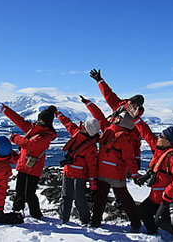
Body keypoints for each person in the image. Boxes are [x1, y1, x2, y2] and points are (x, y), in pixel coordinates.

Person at [129, 107, 173, 239]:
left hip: (166, 197)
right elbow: (147, 134)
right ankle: (153, 233)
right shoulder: (160, 150)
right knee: (143, 211)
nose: (158, 137)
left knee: (161, 220)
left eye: (161, 136)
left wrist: (168, 194)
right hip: (156, 195)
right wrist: (136, 119)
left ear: (168, 141)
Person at [80, 95, 141, 233]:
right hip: (117, 174)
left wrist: (89, 103)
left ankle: (95, 222)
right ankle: (136, 223)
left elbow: (99, 116)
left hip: (102, 171)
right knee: (126, 200)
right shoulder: (125, 138)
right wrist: (135, 175)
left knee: (100, 199)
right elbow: (129, 159)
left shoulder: (108, 130)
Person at [1, 104, 57, 219]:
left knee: (29, 193)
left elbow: (30, 145)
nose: (38, 121)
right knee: (19, 191)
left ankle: (36, 215)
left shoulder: (46, 136)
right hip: (23, 165)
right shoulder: (34, 129)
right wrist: (6, 110)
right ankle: (16, 211)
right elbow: (19, 121)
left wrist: (15, 138)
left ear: (46, 122)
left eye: (40, 120)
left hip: (33, 168)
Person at [90, 68, 144, 169]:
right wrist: (100, 81)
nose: (129, 105)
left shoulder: (136, 123)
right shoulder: (120, 106)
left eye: (132, 104)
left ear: (137, 107)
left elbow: (136, 143)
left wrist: (137, 158)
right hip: (107, 142)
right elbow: (108, 94)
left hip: (119, 152)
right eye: (129, 102)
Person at [55, 109, 100, 225]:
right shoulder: (92, 147)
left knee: (66, 197)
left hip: (69, 171)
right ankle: (84, 220)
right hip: (79, 175)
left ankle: (63, 219)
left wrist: (58, 114)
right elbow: (92, 166)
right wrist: (93, 183)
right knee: (80, 199)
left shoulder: (76, 133)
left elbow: (67, 123)